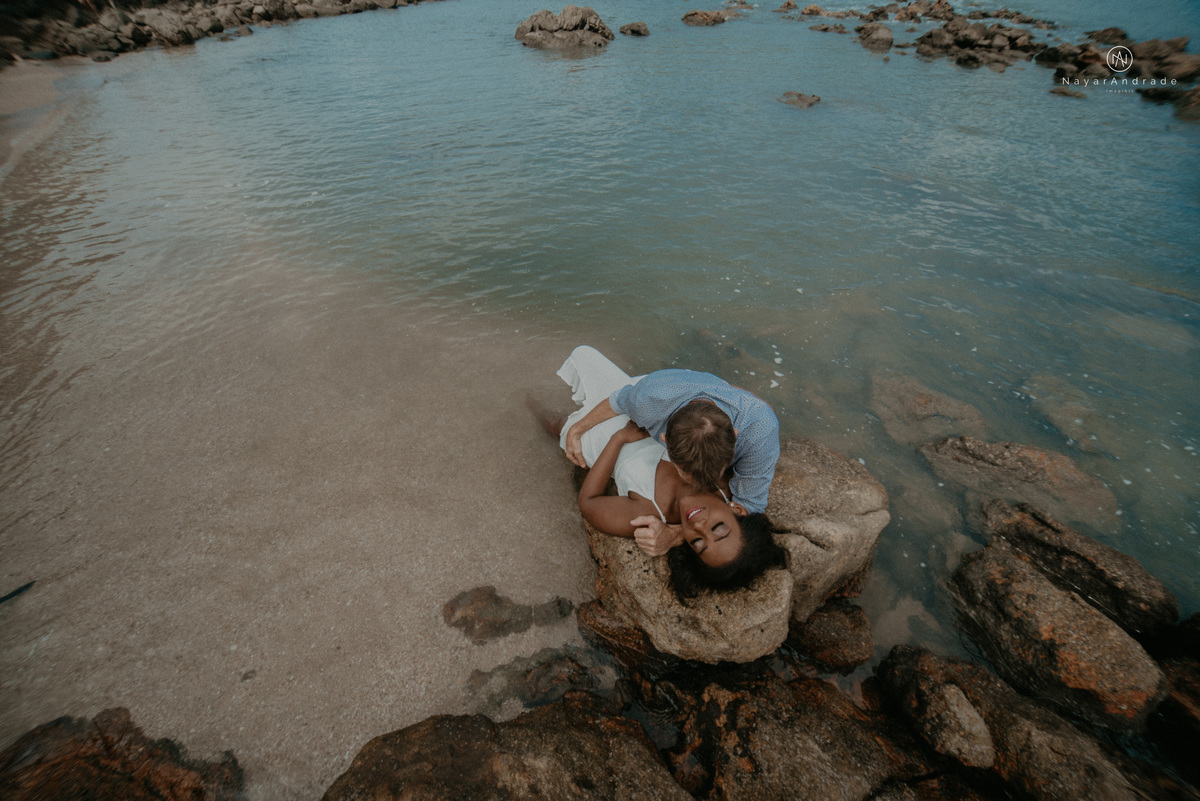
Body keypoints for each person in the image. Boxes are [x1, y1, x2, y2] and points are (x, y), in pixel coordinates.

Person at [541, 346, 788, 600]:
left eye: (698, 543)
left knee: (555, 424)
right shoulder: (653, 401)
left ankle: (530, 405)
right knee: (590, 368)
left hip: (609, 439)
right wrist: (579, 428)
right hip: (648, 401)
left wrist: (617, 439)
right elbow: (621, 399)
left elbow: (588, 503)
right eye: (718, 528)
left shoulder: (650, 513)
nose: (700, 526)